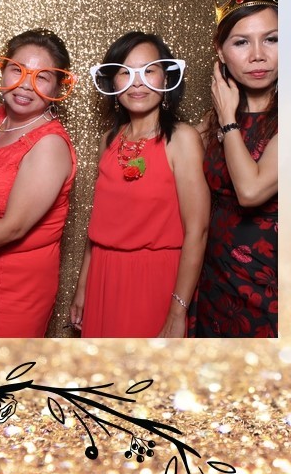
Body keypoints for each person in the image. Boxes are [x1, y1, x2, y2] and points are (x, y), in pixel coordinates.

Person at [69, 33, 209, 338]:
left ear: (166, 77)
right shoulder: (108, 140)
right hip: (104, 275)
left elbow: (197, 231)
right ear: (112, 82)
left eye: (148, 70)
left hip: (154, 279)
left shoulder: (182, 140)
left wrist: (178, 311)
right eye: (125, 72)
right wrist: (83, 287)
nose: (137, 82)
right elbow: (99, 225)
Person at [0, 33, 78, 338]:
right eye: (18, 70)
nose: (26, 85)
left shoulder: (49, 145)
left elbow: (13, 227)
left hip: (16, 282)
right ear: (3, 71)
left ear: (57, 87)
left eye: (42, 77)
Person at [194, 0, 279, 337]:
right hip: (216, 284)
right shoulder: (209, 122)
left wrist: (228, 119)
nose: (258, 55)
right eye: (241, 42)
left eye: (272, 39)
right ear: (220, 52)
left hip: (271, 290)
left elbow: (250, 190)